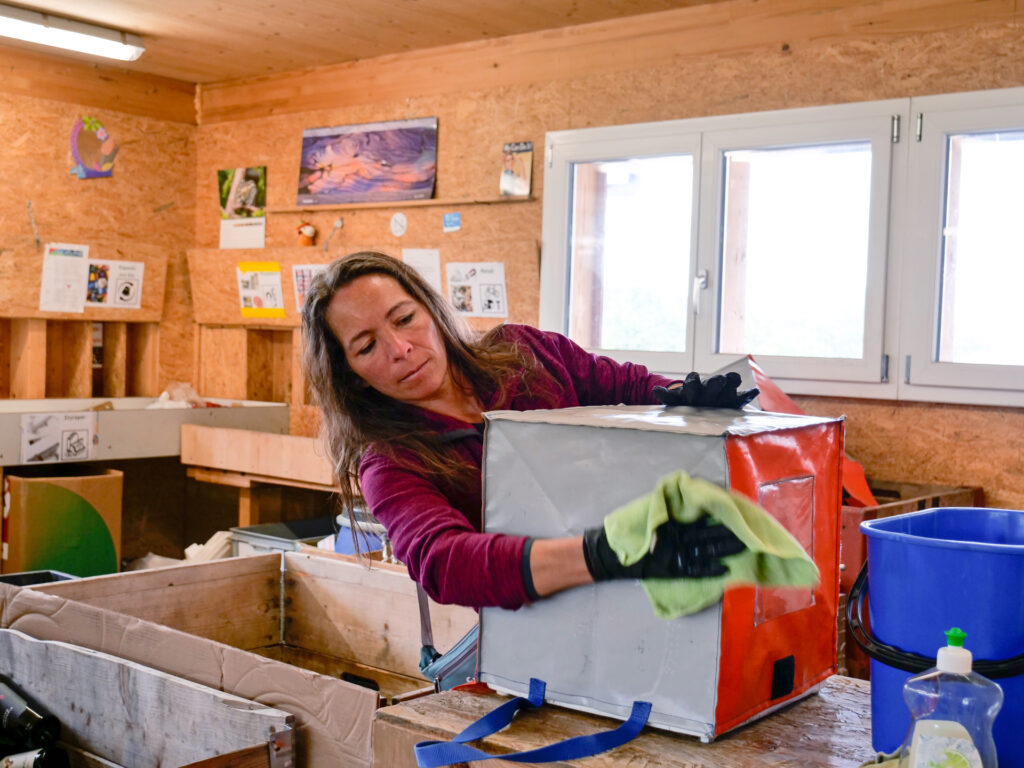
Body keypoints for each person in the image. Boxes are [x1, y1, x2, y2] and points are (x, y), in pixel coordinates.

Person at [301, 251, 748, 611]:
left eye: (403, 319)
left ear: (431, 310)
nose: (400, 349)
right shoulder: (392, 462)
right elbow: (445, 562)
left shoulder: (528, 354)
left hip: (661, 592)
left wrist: (681, 394)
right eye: (367, 346)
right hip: (545, 636)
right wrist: (602, 556)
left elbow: (621, 385)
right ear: (352, 374)